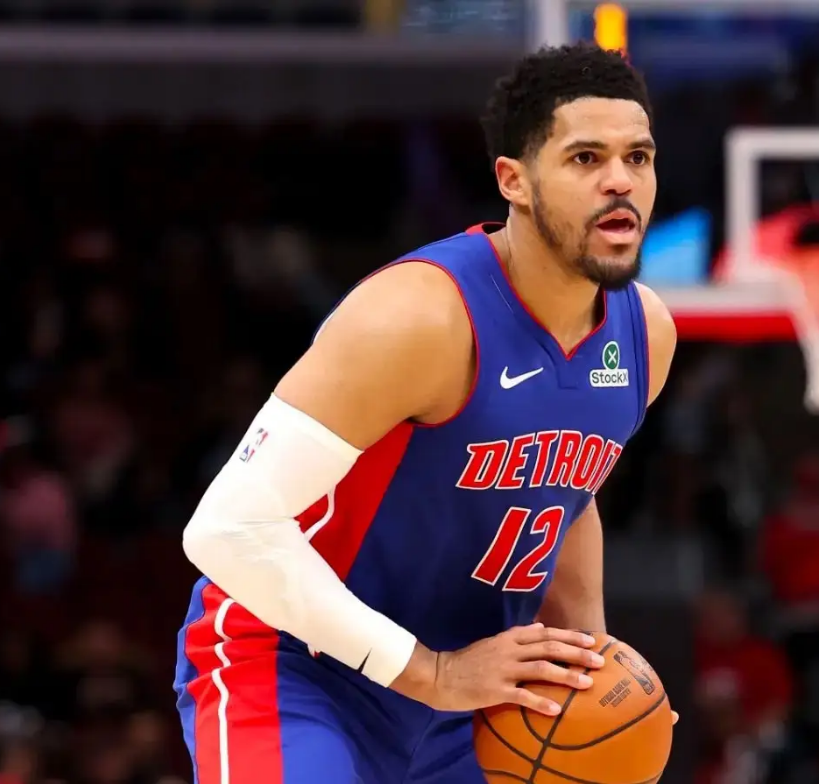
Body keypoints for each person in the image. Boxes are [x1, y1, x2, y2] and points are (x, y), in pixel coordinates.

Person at [174, 42, 678, 784]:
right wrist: (431, 673)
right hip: (297, 667)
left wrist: (592, 671)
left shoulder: (645, 335)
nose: (620, 181)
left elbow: (570, 497)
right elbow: (226, 531)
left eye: (637, 157)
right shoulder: (418, 318)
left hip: (474, 690)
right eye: (584, 158)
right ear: (513, 181)